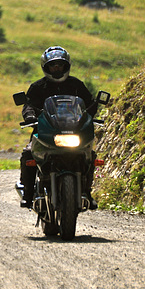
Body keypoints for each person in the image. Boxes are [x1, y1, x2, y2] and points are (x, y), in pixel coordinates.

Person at [19, 46, 98, 209]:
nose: (56, 68)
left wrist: (91, 114)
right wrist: (30, 116)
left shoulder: (76, 85)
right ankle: (27, 194)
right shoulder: (37, 87)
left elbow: (89, 104)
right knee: (28, 154)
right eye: (53, 65)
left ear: (66, 66)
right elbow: (28, 105)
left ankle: (87, 192)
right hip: (45, 131)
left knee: (90, 155)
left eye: (60, 65)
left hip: (74, 130)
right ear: (46, 67)